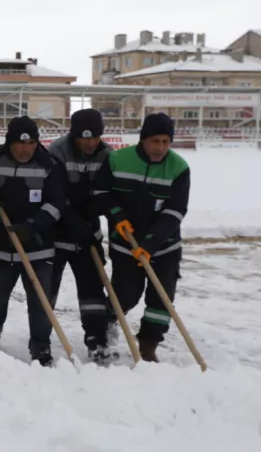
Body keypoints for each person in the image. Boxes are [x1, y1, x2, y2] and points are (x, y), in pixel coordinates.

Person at [92, 113, 189, 362]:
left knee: (161, 298)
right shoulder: (118, 160)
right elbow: (101, 192)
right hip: (125, 242)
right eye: (155, 141)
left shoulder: (178, 168)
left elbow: (175, 210)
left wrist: (151, 243)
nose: (160, 148)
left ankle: (149, 343)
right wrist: (117, 215)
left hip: (164, 246)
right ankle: (108, 320)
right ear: (143, 139)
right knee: (126, 293)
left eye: (166, 142)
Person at [0, 116, 64, 366]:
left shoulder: (49, 164)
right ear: (9, 142)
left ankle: (41, 346)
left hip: (38, 245)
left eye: (31, 143)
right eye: (20, 144)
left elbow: (57, 203)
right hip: (1, 244)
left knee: (40, 298)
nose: (26, 149)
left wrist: (32, 226)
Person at [47, 109, 117, 363]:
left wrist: (94, 212)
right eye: (84, 137)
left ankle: (96, 338)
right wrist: (73, 220)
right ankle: (41, 336)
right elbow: (56, 194)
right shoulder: (57, 151)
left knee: (92, 289)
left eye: (95, 137)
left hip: (89, 233)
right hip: (56, 232)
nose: (90, 143)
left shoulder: (108, 154)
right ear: (73, 135)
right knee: (47, 287)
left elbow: (107, 193)